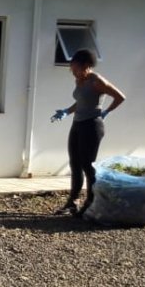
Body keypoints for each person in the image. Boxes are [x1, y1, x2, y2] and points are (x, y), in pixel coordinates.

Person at [50, 48, 126, 217]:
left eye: (76, 69)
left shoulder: (96, 80)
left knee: (87, 165)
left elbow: (120, 97)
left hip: (92, 126)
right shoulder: (80, 80)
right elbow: (81, 101)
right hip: (77, 124)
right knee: (75, 164)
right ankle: (72, 203)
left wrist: (105, 112)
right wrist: (66, 111)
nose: (73, 73)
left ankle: (91, 203)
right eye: (72, 69)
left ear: (86, 65)